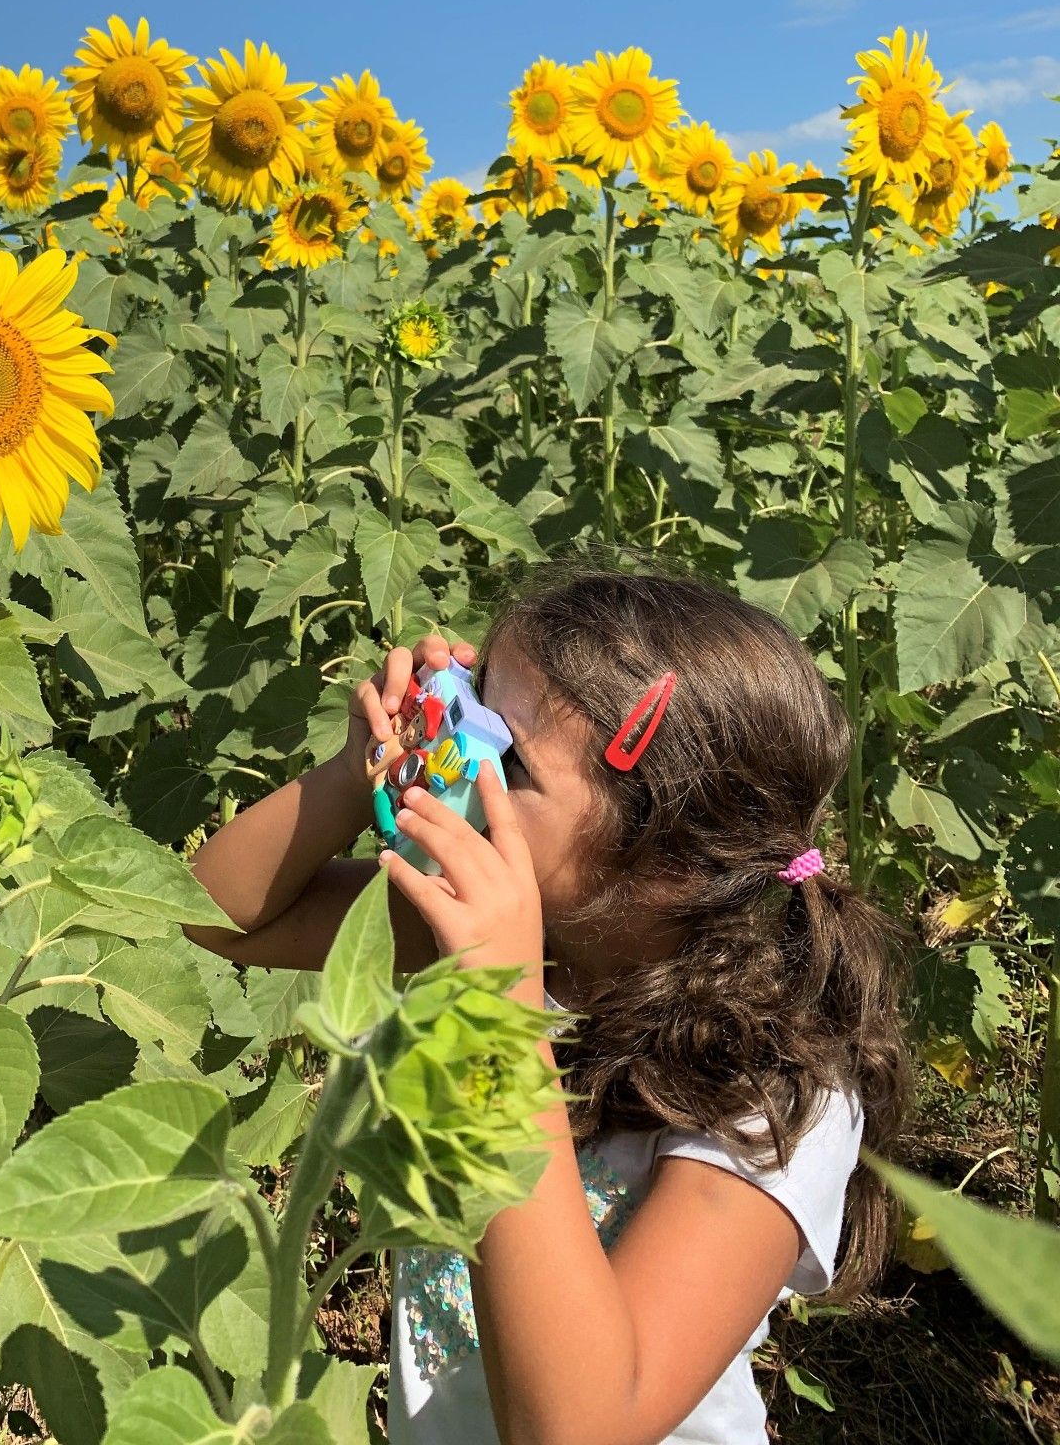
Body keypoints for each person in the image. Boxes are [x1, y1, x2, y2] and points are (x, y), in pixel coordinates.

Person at [182, 561, 912, 1445]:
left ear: (670, 864)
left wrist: (499, 1009)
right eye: (467, 702)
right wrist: (358, 766)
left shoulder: (776, 1094)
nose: (451, 756)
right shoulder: (526, 935)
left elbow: (579, 1426)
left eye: (508, 758)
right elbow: (213, 915)